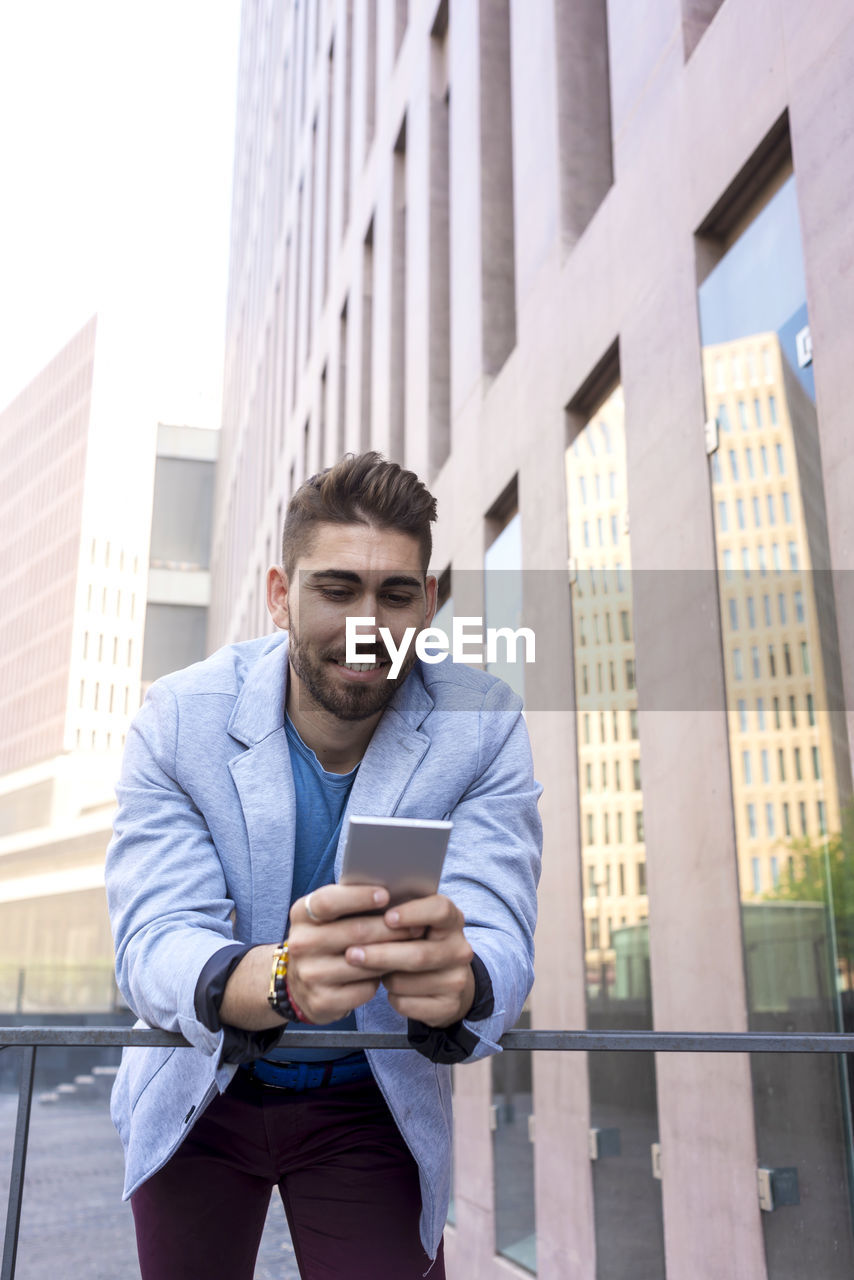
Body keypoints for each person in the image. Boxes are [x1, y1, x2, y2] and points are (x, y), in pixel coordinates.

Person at [106, 451, 542, 1279]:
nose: (366, 622)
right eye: (336, 591)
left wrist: (465, 984)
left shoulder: (484, 726)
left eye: (396, 594)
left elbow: (502, 924)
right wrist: (278, 983)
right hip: (202, 1091)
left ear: (430, 603)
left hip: (367, 1100)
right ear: (281, 595)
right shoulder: (178, 718)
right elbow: (154, 937)